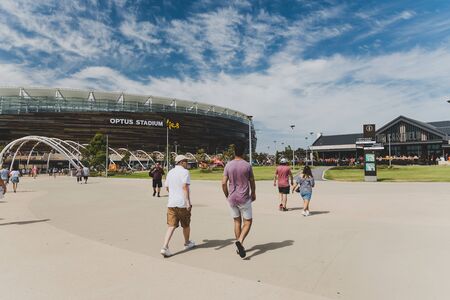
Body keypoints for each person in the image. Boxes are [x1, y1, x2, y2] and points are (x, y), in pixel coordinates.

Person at [222, 143, 256, 258]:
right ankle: (240, 241)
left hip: (232, 198)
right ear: (243, 152)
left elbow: (223, 183)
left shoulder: (228, 165)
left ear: (234, 152)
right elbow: (252, 181)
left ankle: (238, 244)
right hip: (244, 198)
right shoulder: (247, 165)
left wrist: (227, 195)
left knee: (237, 221)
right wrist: (254, 193)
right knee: (248, 222)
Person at [160, 155, 195, 257]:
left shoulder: (170, 172)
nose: (187, 163)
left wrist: (174, 193)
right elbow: (185, 187)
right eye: (186, 161)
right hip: (182, 204)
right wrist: (188, 202)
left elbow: (167, 187)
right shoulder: (185, 172)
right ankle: (187, 242)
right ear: (181, 162)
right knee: (186, 224)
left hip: (171, 203)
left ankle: (164, 247)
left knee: (171, 226)